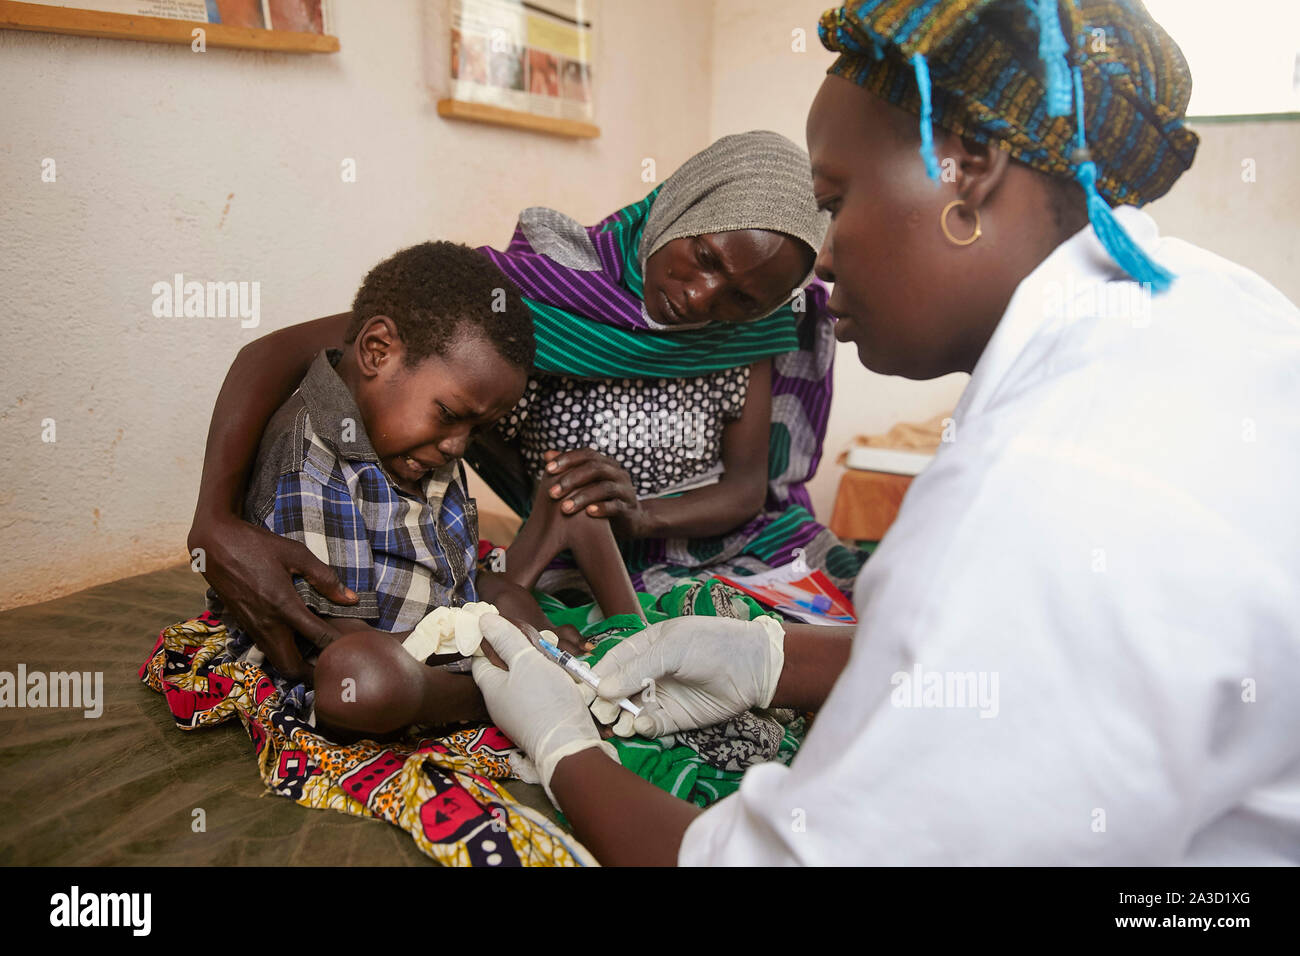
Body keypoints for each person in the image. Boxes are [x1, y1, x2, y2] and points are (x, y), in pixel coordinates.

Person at [468, 0, 1300, 865]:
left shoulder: (1034, 500)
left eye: (834, 201)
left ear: (969, 165)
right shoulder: (1210, 300)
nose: (820, 261)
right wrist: (773, 658)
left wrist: (564, 747)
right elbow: (1022, 671)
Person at [188, 131, 869, 674]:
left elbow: (749, 487)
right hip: (576, 550)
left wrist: (640, 514)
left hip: (730, 545)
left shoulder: (747, 338)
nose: (701, 298)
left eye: (742, 298)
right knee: (709, 659)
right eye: (704, 256)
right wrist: (214, 523)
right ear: (686, 203)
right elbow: (274, 355)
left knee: (856, 635)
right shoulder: (528, 298)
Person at [192, 240, 643, 735]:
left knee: (511, 602)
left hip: (433, 614)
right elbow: (337, 636)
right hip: (366, 642)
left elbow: (456, 576)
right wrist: (477, 649)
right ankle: (501, 695)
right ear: (377, 351)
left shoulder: (421, 436)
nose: (458, 446)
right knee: (368, 679)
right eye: (450, 416)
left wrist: (508, 624)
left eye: (476, 431)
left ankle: (599, 660)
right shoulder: (314, 459)